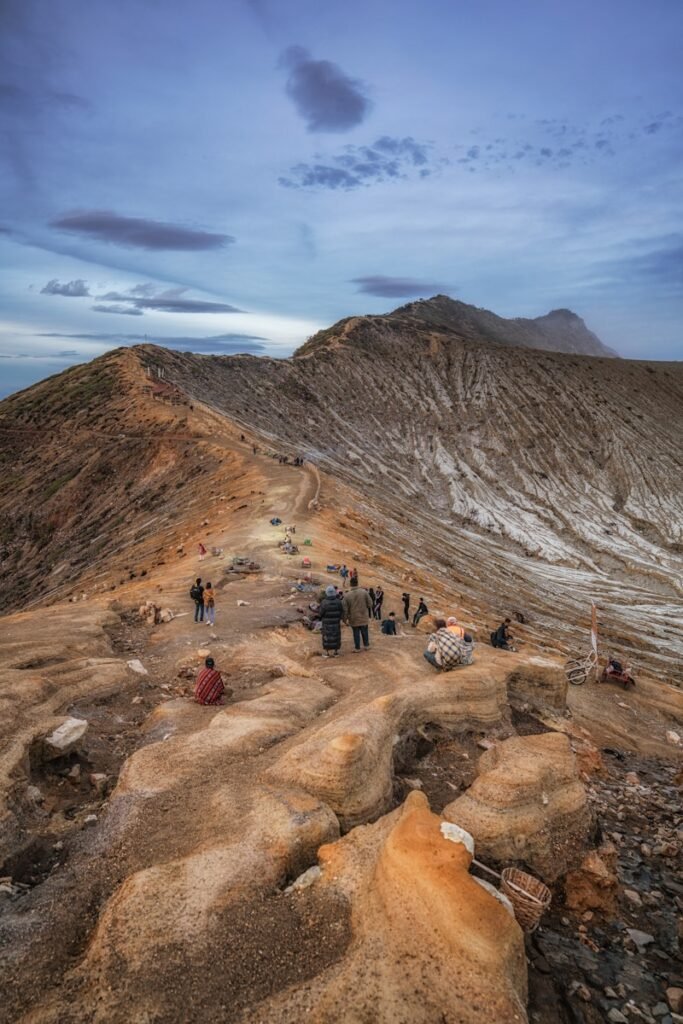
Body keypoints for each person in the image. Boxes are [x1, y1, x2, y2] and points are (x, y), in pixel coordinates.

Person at [342, 577, 373, 652]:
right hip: (363, 616)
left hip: (353, 618)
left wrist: (344, 620)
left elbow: (345, 610)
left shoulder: (346, 595)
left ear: (350, 584)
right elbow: (370, 604)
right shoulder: (364, 592)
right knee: (364, 631)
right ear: (357, 583)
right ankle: (366, 646)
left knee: (356, 633)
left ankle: (357, 648)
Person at [319, 584, 343, 658]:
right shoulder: (338, 601)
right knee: (336, 636)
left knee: (327, 637)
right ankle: (336, 652)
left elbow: (321, 613)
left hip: (326, 623)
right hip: (336, 622)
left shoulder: (324, 602)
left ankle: (327, 653)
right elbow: (341, 611)